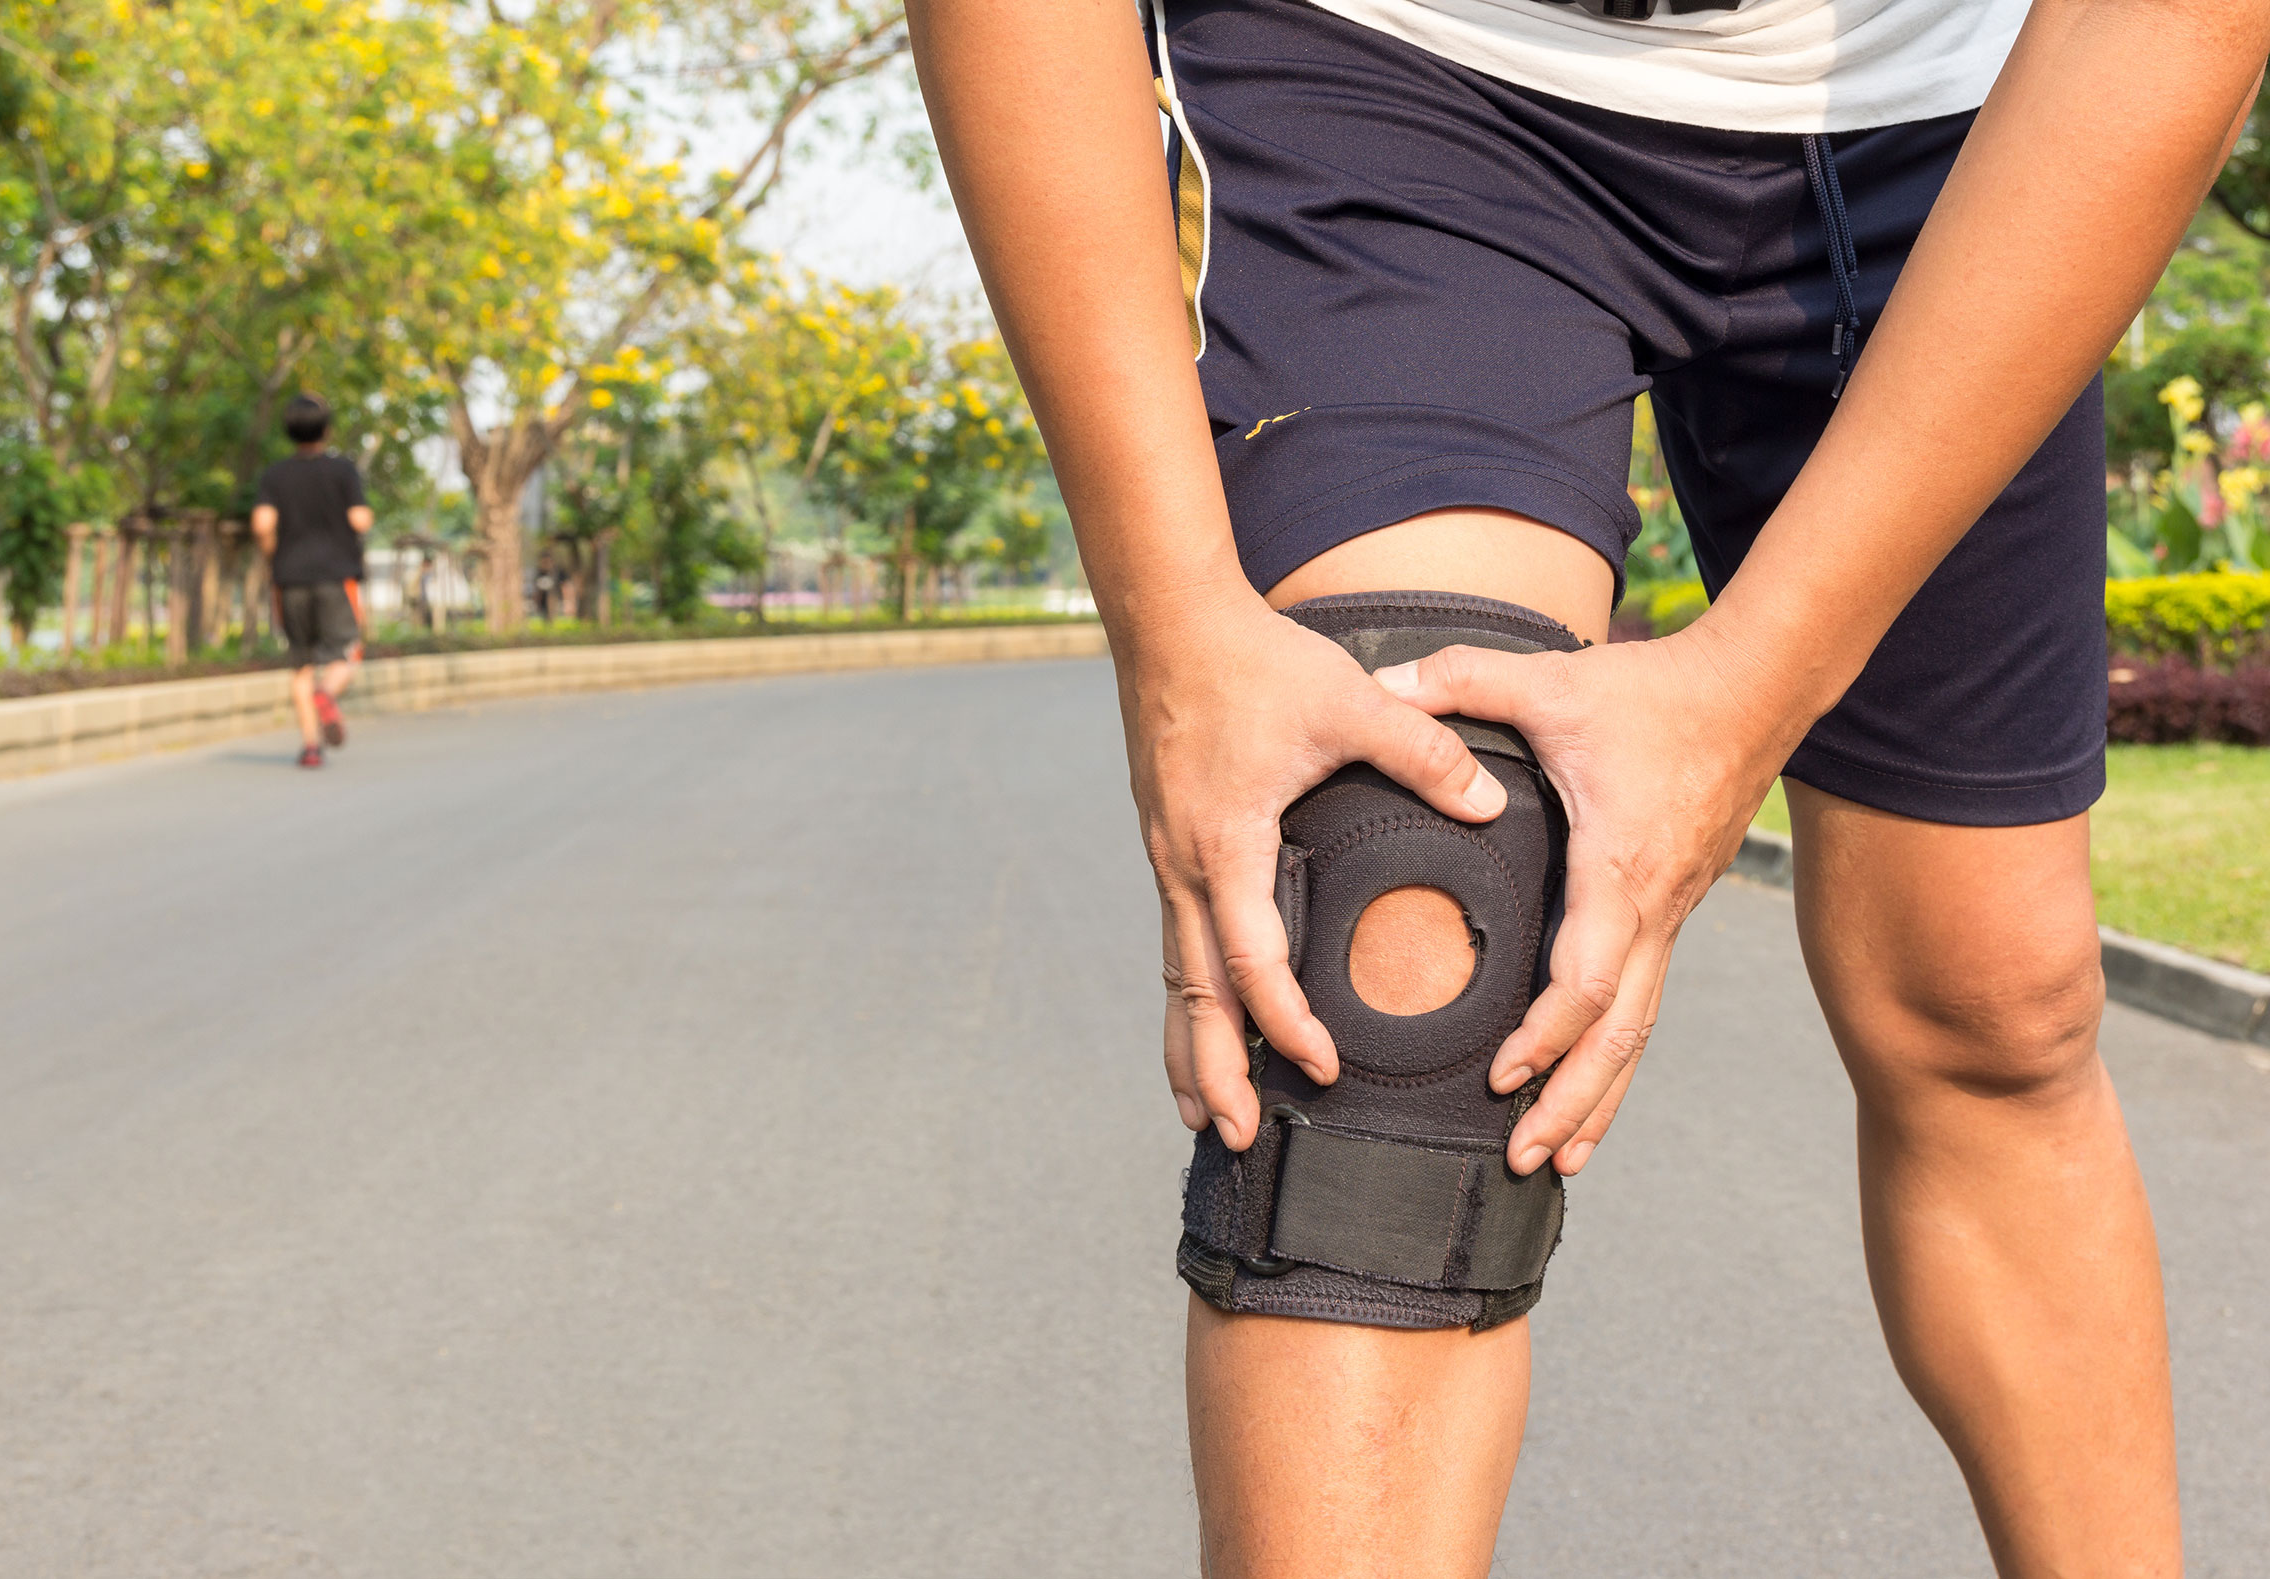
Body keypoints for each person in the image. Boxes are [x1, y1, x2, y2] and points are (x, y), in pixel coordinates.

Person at [908, 0, 2266, 1573]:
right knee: (1403, 909)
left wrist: (1740, 695)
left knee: (1985, 997)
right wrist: (1174, 621)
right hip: (1414, 74)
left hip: (1947, 115)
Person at [251, 394, 372, 770]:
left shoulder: (275, 475)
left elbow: (262, 525)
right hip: (335, 575)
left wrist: (274, 553)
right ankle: (327, 694)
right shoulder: (342, 471)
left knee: (300, 663)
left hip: (289, 579)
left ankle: (310, 748)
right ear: (327, 428)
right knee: (347, 651)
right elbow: (360, 520)